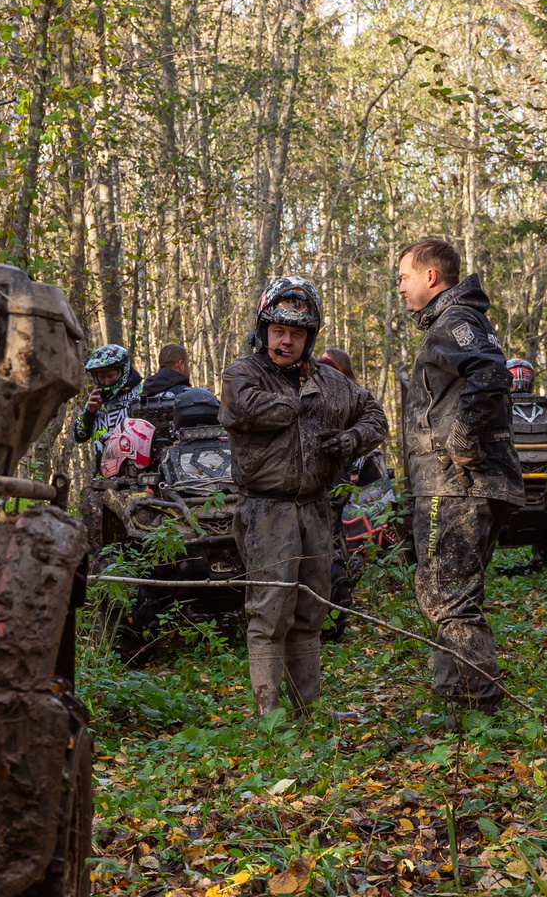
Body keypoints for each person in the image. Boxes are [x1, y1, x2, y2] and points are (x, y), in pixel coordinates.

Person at [219, 275, 386, 715]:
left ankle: (308, 710)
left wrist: (351, 438)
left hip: (315, 508)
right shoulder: (243, 373)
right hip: (266, 510)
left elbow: (374, 414)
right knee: (270, 612)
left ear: (309, 337)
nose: (286, 342)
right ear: (263, 331)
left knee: (311, 611)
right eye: (278, 331)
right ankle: (268, 715)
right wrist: (303, 401)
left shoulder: (331, 381)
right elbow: (246, 408)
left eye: (296, 334)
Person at [395, 237, 521, 707]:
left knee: (447, 597)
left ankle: (481, 706)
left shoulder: (456, 320)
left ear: (431, 277)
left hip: (455, 485)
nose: (401, 287)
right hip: (460, 484)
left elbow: (491, 374)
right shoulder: (459, 320)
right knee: (453, 596)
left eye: (405, 277)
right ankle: (453, 700)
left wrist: (463, 437)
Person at [81, 344, 143, 444]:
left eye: (110, 376)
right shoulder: (96, 400)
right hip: (103, 453)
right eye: (101, 377)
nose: (106, 382)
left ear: (124, 371)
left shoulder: (141, 395)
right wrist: (89, 413)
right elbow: (79, 436)